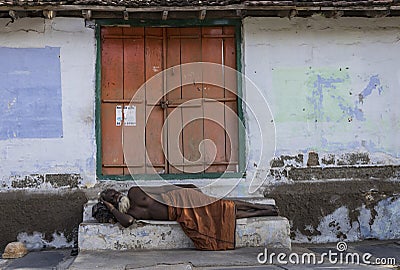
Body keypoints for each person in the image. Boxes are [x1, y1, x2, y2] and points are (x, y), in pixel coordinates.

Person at [97, 184, 279, 250]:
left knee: (222, 205)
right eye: (111, 198)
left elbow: (163, 188)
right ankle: (263, 212)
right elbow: (128, 223)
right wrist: (111, 208)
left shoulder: (134, 191)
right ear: (110, 205)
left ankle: (261, 207)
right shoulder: (127, 214)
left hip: (181, 198)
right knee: (221, 215)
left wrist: (187, 187)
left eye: (114, 193)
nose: (115, 196)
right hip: (178, 214)